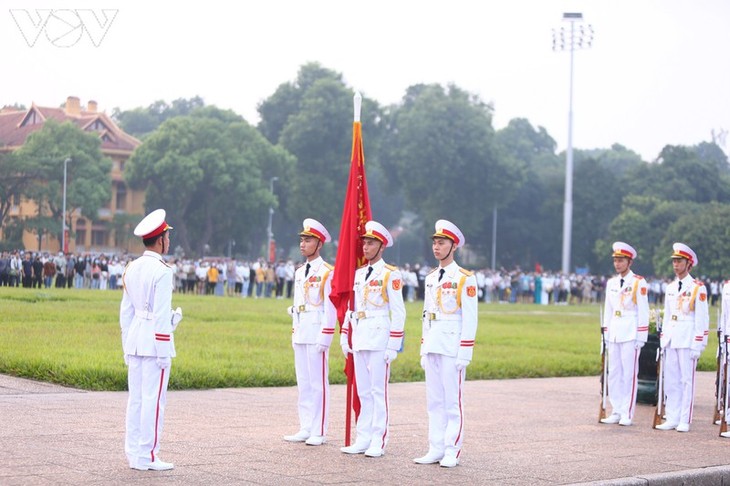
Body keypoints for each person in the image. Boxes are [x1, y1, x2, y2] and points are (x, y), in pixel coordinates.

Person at [120, 209, 183, 470]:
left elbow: (125, 313)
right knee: (154, 401)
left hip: (135, 339)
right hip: (154, 343)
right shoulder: (163, 271)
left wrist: (126, 345)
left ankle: (135, 454)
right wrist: (163, 350)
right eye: (167, 236)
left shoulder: (131, 267)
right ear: (160, 240)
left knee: (135, 400)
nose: (169, 241)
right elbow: (159, 317)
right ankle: (149, 456)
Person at [414, 220, 478, 468]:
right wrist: (423, 346)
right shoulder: (431, 277)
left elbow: (470, 318)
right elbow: (426, 315)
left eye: (442, 243)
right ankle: (435, 447)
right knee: (434, 400)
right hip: (433, 343)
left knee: (452, 401)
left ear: (453, 246)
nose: (436, 247)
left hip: (452, 345)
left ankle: (452, 449)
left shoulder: (464, 278)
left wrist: (465, 351)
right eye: (434, 243)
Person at [340, 221, 406, 458]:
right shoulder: (359, 274)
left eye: (371, 243)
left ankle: (378, 439)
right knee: (363, 391)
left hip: (379, 335)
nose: (365, 247)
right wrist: (345, 333)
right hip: (360, 334)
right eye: (365, 243)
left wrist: (393, 344)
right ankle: (363, 437)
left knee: (378, 391)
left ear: (381, 247)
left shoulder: (390, 274)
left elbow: (398, 311)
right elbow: (353, 306)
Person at [284, 218, 336, 446]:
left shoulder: (327, 272)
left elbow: (330, 307)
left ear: (319, 244)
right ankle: (306, 426)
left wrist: (326, 335)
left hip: (316, 331)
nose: (303, 244)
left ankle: (319, 429)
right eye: (302, 240)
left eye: (309, 240)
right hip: (301, 329)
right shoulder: (299, 272)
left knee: (318, 383)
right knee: (303, 381)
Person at [655, 243, 709, 432]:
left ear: (689, 264)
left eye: (680, 261)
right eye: (674, 261)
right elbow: (668, 315)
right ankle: (672, 416)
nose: (676, 265)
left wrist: (699, 343)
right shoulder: (670, 288)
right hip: (672, 337)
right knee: (671, 379)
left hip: (687, 338)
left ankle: (684, 418)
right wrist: (663, 339)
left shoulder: (697, 288)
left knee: (687, 380)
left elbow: (702, 318)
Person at [599, 242, 649, 427]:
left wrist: (641, 336)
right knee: (614, 373)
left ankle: (627, 412)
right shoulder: (611, 283)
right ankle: (616, 409)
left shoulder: (638, 282)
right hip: (614, 332)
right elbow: (608, 310)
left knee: (629, 374)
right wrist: (604, 335)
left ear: (629, 262)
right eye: (615, 261)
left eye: (621, 261)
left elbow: (643, 310)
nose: (617, 264)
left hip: (630, 331)